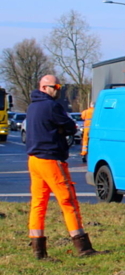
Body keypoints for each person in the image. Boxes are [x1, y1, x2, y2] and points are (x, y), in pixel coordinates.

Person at [25, 75, 99, 259]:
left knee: (38, 204)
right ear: (44, 87)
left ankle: (38, 249)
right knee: (68, 201)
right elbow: (70, 127)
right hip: (51, 160)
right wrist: (62, 129)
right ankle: (82, 246)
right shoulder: (51, 106)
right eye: (55, 86)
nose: (58, 90)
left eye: (58, 86)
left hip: (34, 160)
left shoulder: (32, 106)